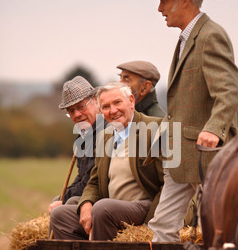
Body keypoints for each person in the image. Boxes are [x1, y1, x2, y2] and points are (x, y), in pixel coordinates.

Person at [141, 0, 238, 242]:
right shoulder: (187, 37)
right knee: (162, 229)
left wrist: (215, 129)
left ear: (184, 0)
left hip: (206, 154)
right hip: (180, 154)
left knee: (218, 231)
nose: (159, 7)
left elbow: (229, 89)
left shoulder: (211, 35)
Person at [51, 82, 164, 241]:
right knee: (60, 215)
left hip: (142, 206)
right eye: (106, 106)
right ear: (100, 111)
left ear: (131, 101)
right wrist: (86, 203)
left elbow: (168, 184)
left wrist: (152, 223)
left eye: (117, 102)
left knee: (103, 208)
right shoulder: (105, 136)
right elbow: (94, 180)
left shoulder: (155, 129)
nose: (113, 110)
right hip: (109, 209)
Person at [48, 76, 105, 235]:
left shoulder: (105, 132)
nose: (77, 114)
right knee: (57, 201)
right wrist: (62, 197)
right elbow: (81, 175)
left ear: (95, 100)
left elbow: (90, 180)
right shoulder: (83, 135)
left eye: (81, 107)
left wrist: (64, 200)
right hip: (90, 192)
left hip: (104, 195)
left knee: (65, 206)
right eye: (71, 111)